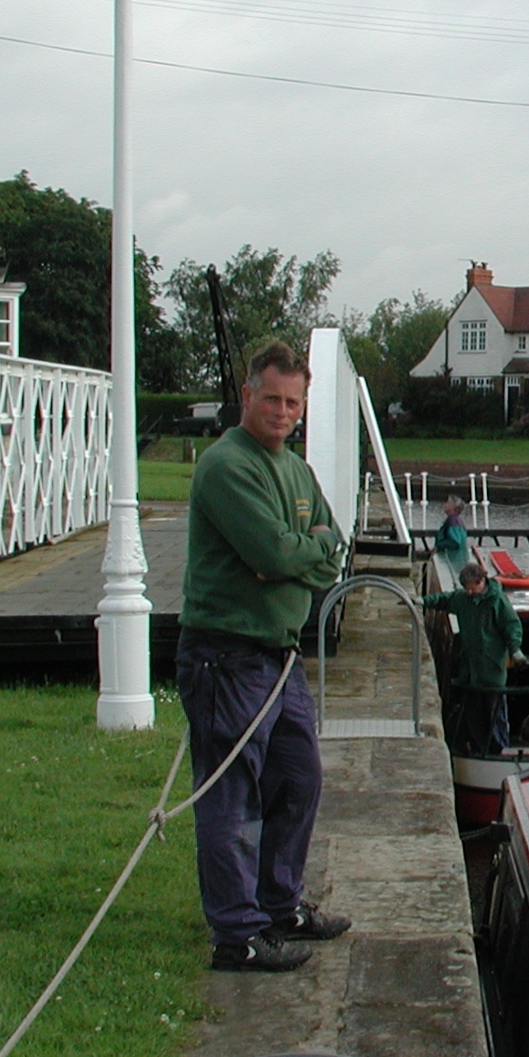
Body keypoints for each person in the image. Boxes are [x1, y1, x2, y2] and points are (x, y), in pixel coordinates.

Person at [177, 339, 352, 973]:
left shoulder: (296, 471)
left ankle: (280, 906)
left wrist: (298, 553)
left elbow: (332, 552)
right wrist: (297, 551)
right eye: (271, 399)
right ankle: (237, 935)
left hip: (280, 659)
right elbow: (274, 554)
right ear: (247, 395)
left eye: (293, 403)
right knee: (231, 798)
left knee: (299, 779)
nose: (282, 412)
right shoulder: (227, 466)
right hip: (226, 657)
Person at [423, 560, 525, 756]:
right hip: (470, 672)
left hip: (491, 672)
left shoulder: (497, 601)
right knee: (473, 714)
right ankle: (479, 749)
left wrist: (515, 650)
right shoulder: (463, 599)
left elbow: (511, 626)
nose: (469, 593)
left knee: (495, 714)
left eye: (472, 588)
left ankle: (499, 750)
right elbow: (444, 599)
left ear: (482, 582)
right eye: (466, 589)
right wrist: (423, 601)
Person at [434, 494, 469, 566]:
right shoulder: (458, 521)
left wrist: (439, 546)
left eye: (447, 502)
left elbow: (455, 542)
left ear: (453, 507)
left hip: (452, 560)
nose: (444, 504)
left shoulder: (452, 521)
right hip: (461, 560)